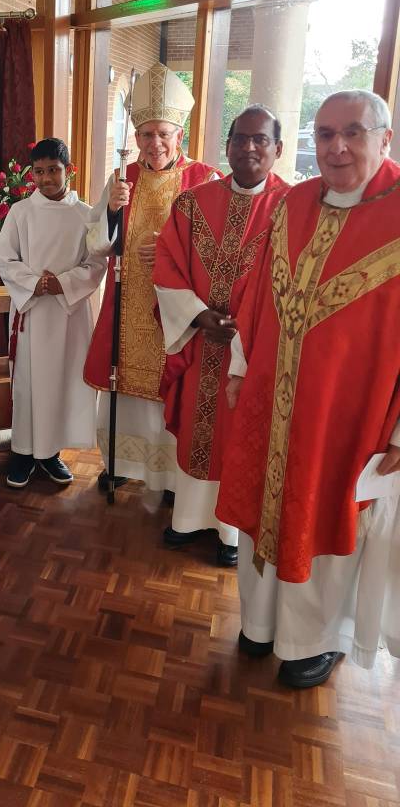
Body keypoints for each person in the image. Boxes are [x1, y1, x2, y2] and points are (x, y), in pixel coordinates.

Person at [217, 89, 400, 688]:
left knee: (323, 516)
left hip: (347, 412)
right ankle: (262, 622)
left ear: (385, 139)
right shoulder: (294, 201)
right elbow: (253, 294)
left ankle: (313, 639)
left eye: (354, 132)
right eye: (324, 134)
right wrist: (241, 366)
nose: (338, 147)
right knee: (261, 509)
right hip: (271, 398)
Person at [154, 106, 289, 567]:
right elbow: (167, 263)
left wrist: (244, 330)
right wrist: (196, 315)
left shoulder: (293, 210)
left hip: (253, 351)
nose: (249, 148)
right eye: (240, 138)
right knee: (196, 426)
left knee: (240, 436)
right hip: (199, 340)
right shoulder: (191, 203)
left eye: (260, 140)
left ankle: (231, 532)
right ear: (227, 145)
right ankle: (188, 519)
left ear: (278, 149)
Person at [84, 63, 219, 497]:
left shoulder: (204, 180)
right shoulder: (123, 178)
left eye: (163, 133)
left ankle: (170, 479)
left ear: (179, 133)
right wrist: (109, 211)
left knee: (171, 387)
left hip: (176, 310)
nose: (154, 143)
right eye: (145, 134)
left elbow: (217, 251)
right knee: (124, 383)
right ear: (135, 137)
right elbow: (95, 246)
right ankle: (122, 465)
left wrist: (169, 249)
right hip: (128, 302)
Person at [0, 138, 106, 489]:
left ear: (67, 170)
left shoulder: (85, 214)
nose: (45, 179)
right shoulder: (21, 212)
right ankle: (23, 453)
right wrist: (35, 284)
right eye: (39, 172)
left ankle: (50, 453)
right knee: (28, 384)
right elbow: (4, 257)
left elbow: (97, 261)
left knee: (61, 383)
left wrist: (62, 284)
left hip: (69, 315)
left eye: (53, 171)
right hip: (32, 312)